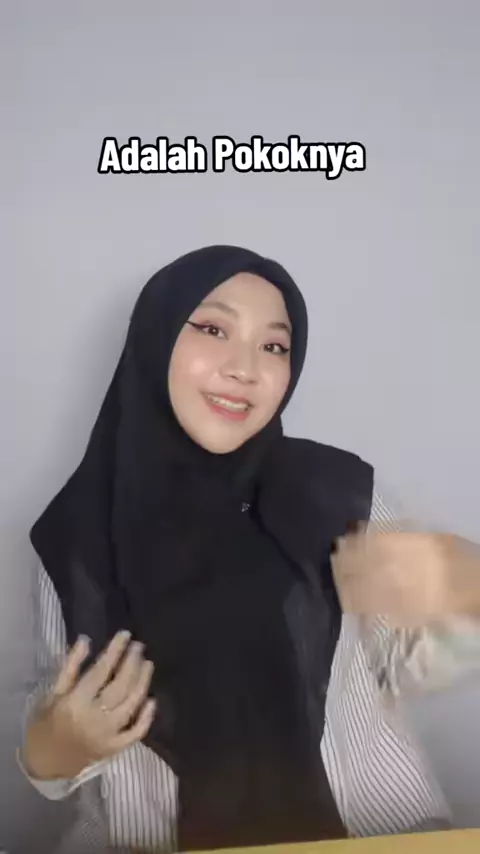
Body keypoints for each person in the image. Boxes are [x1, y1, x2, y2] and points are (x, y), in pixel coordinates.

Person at [17, 245, 480, 853]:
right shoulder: (74, 535)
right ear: (155, 338)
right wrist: (51, 749)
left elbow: (408, 663)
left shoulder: (339, 494)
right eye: (213, 329)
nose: (246, 368)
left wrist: (463, 583)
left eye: (274, 346)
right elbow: (58, 730)